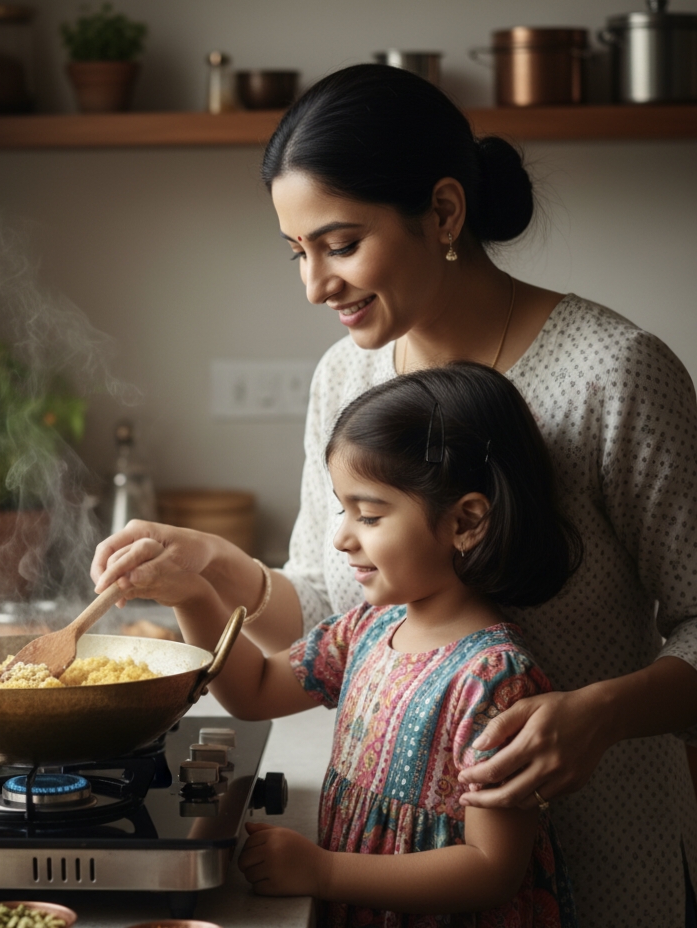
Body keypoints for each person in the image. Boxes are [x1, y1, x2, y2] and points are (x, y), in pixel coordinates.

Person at [92, 64, 697, 926]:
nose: (314, 285)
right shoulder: (346, 376)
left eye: (340, 243)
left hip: (607, 851)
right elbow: (335, 611)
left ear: (444, 212)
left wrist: (599, 714)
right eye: (297, 252)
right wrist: (215, 570)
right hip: (389, 883)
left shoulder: (615, 374)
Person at [116, 363, 582, 926]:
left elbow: (492, 868)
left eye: (369, 514)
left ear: (467, 522)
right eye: (343, 510)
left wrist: (324, 872)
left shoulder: (494, 681)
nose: (340, 537)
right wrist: (190, 594)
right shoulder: (366, 628)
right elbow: (255, 690)